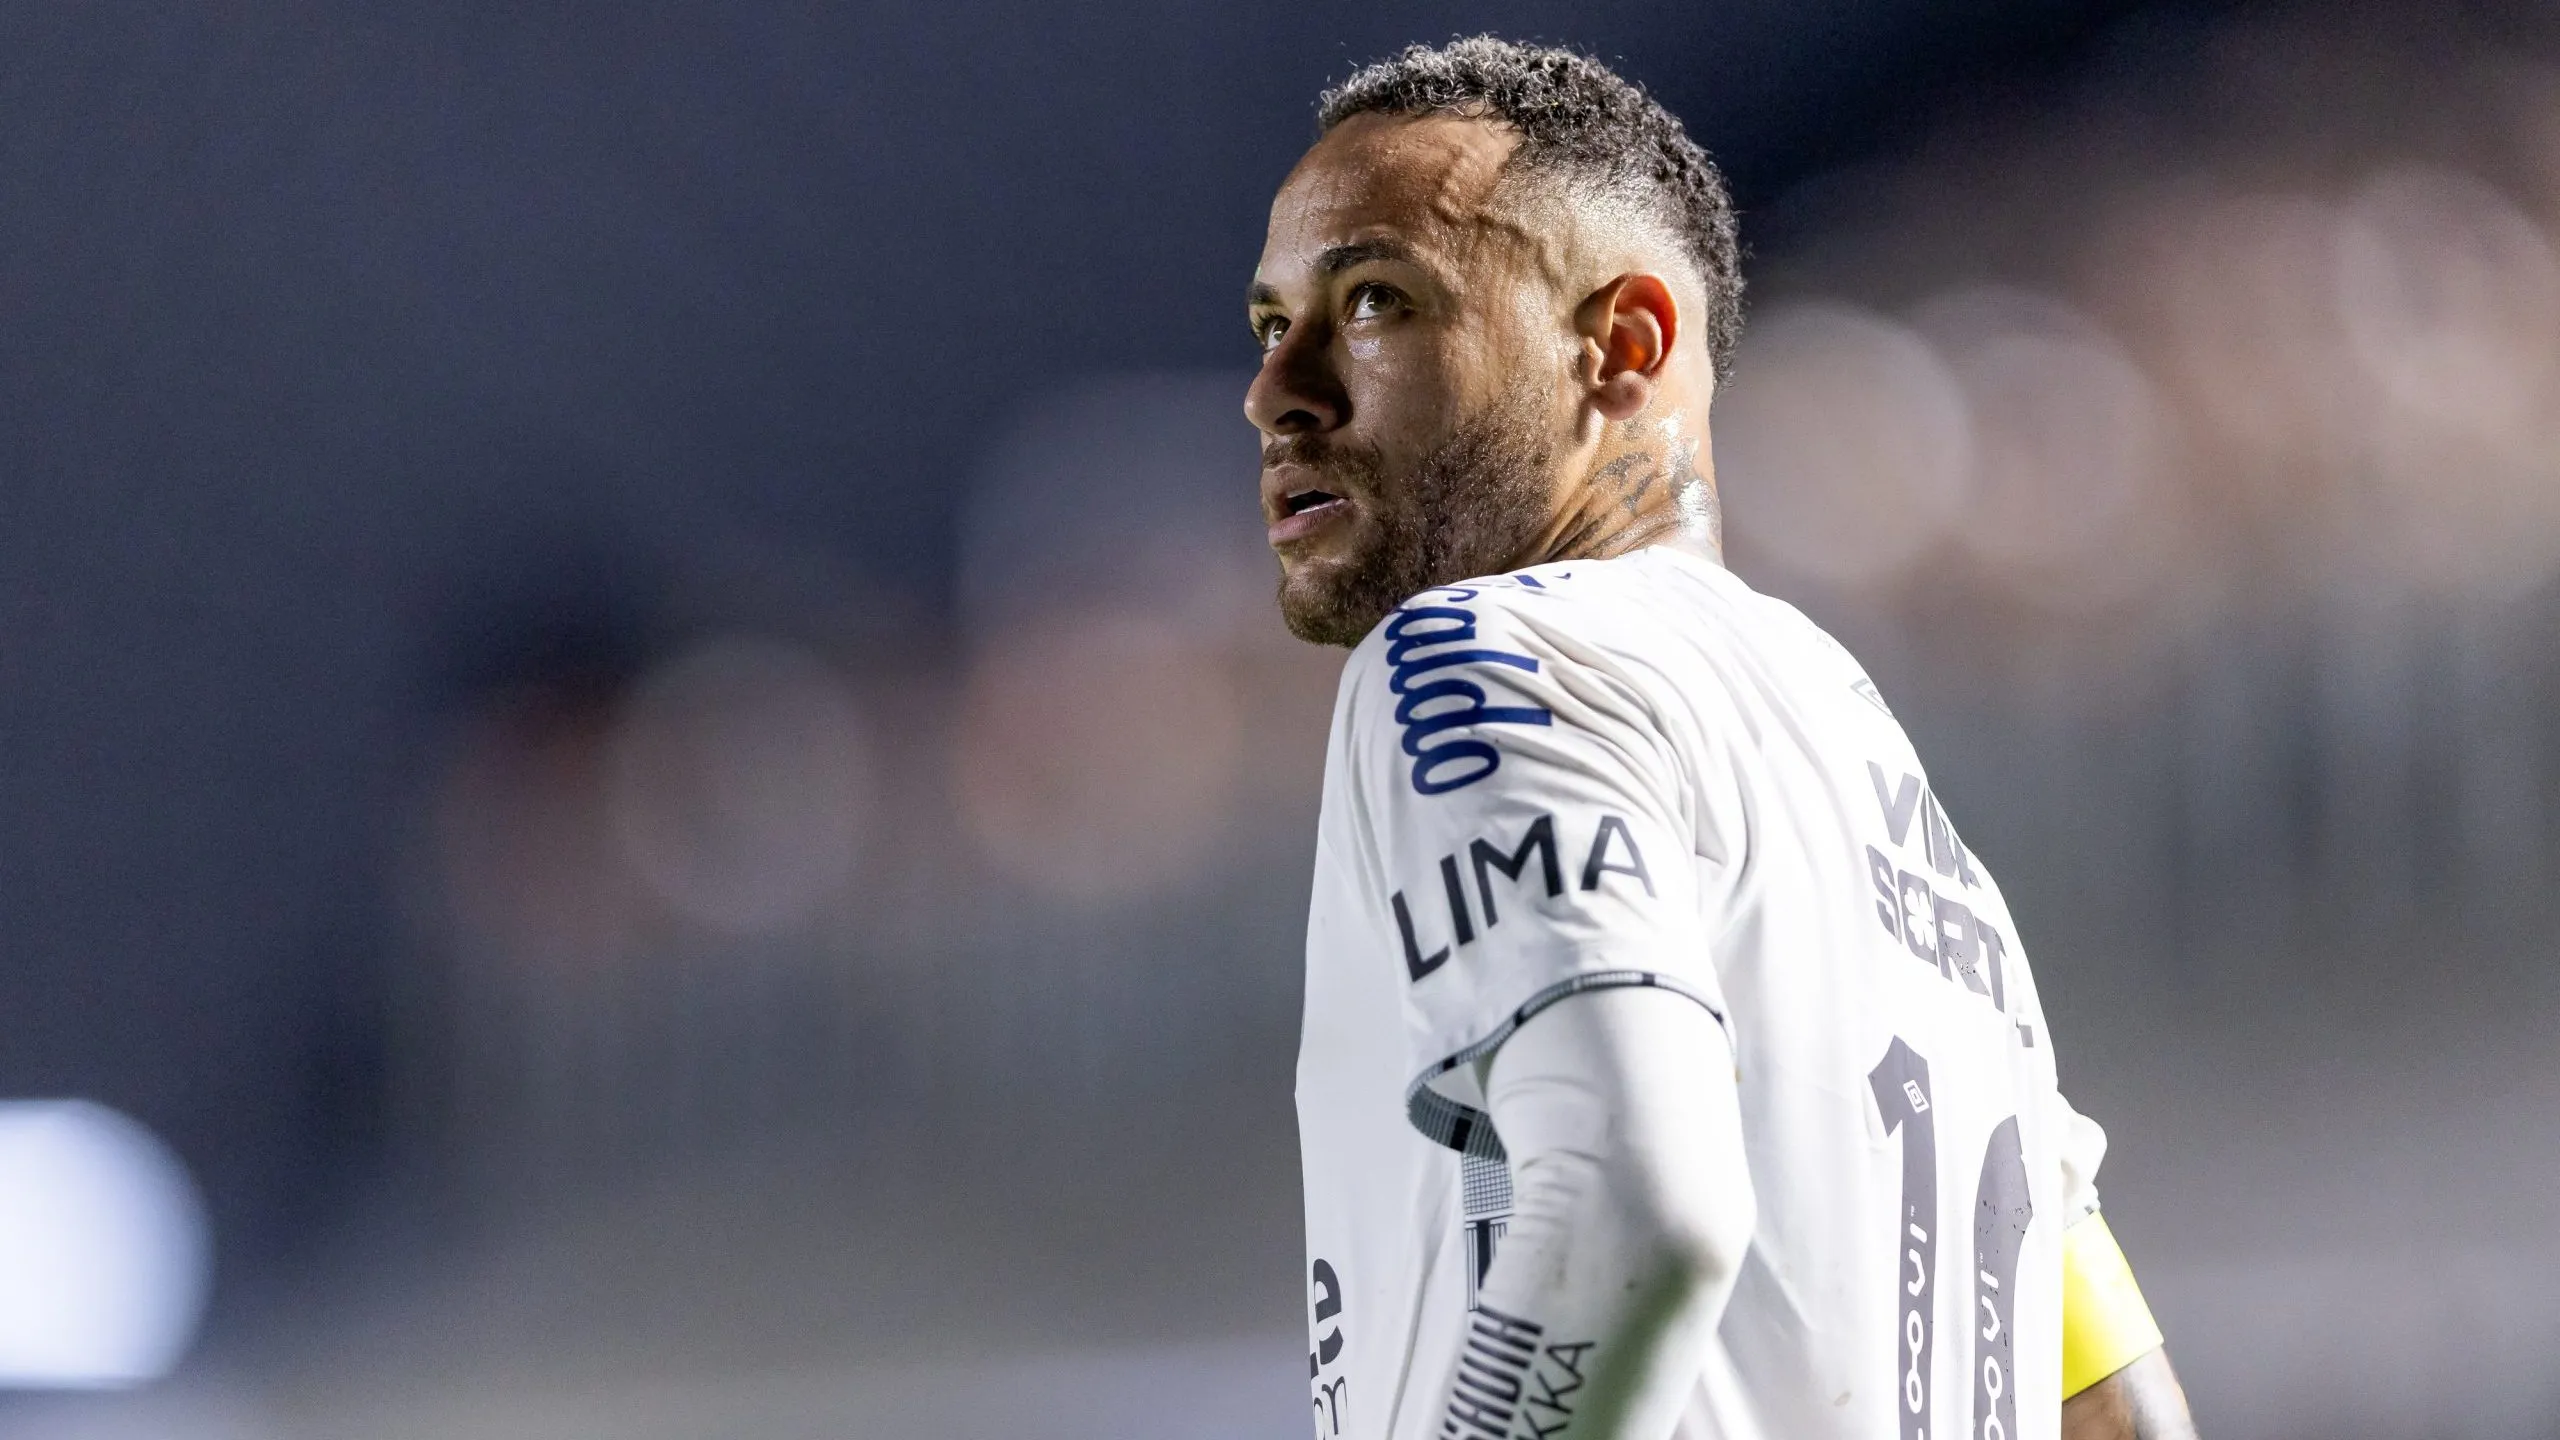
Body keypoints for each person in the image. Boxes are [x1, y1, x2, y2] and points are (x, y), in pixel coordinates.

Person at [1252, 37, 2201, 1440]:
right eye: (1272, 325)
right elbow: (2122, 1413)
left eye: (1377, 300)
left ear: (1624, 345)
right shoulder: (1915, 840)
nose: (1282, 394)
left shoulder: (1480, 657)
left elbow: (1635, 1206)